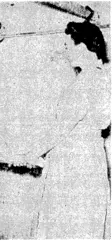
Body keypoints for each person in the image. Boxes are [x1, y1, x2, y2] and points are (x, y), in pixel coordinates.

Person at [31, 21, 111, 239]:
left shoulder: (87, 82)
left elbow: (60, 128)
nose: (65, 51)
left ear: (84, 46)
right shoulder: (102, 79)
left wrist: (31, 152)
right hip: (90, 162)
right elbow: (102, 124)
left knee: (64, 227)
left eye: (68, 46)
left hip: (73, 165)